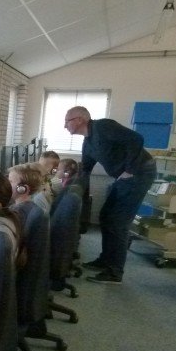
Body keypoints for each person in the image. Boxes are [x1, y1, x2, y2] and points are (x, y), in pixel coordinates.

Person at [64, 105, 156, 284]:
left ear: (80, 119)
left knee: (118, 221)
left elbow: (136, 139)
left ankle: (114, 272)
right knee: (106, 216)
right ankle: (106, 260)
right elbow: (85, 169)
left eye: (67, 121)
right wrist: (69, 185)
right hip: (126, 177)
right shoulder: (88, 142)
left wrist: (130, 169)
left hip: (139, 173)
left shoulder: (103, 127)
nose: (65, 125)